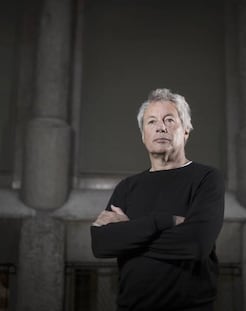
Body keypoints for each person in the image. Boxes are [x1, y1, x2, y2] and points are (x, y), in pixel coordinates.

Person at [90, 88, 225, 311]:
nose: (160, 127)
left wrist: (128, 232)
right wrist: (162, 222)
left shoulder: (207, 178)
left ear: (186, 131)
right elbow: (101, 244)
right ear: (143, 135)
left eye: (169, 120)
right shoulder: (127, 187)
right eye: (151, 122)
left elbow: (196, 244)